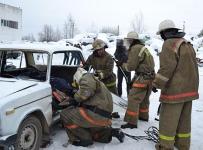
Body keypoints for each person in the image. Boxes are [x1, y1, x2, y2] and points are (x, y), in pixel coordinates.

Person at [153, 19, 199, 150]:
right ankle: (182, 145)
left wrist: (156, 84)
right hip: (190, 90)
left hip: (175, 91)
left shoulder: (169, 43)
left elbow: (167, 68)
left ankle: (165, 146)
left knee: (168, 121)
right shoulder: (186, 43)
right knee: (184, 121)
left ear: (164, 33)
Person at [60, 68, 124, 147]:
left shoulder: (86, 79)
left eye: (77, 84)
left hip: (96, 115)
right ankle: (111, 132)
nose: (77, 87)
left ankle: (84, 139)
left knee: (64, 114)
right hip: (105, 116)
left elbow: (83, 95)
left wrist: (75, 97)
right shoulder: (96, 80)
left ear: (77, 78)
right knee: (93, 129)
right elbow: (91, 98)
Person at [116, 31, 155, 129]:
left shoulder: (135, 48)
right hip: (149, 77)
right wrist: (133, 80)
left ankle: (131, 122)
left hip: (142, 78)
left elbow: (130, 67)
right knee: (144, 99)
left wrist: (121, 64)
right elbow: (142, 66)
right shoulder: (143, 47)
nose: (127, 43)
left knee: (133, 98)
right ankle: (143, 117)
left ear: (131, 40)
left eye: (128, 40)